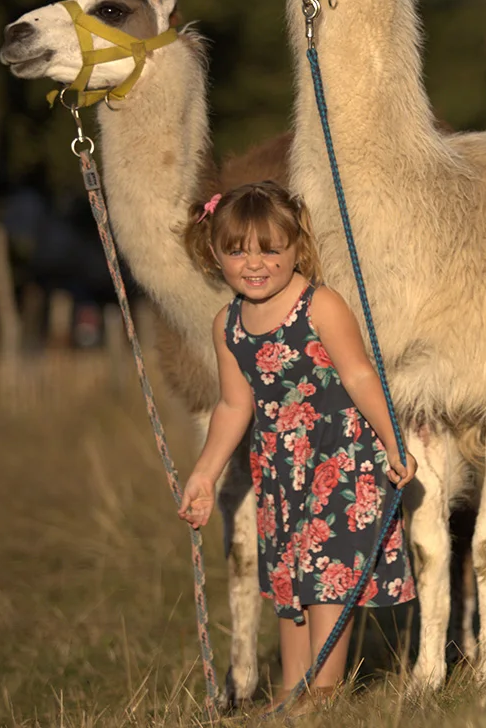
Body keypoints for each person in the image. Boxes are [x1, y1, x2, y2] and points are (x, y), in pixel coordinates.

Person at [175, 181, 415, 699]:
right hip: (282, 472)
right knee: (291, 582)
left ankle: (321, 699)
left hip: (343, 461)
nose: (254, 264)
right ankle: (292, 695)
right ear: (214, 253)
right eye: (237, 251)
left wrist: (393, 443)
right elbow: (235, 405)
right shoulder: (229, 326)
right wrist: (204, 473)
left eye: (270, 249)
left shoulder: (319, 305)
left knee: (327, 578)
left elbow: (358, 375)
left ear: (296, 249)